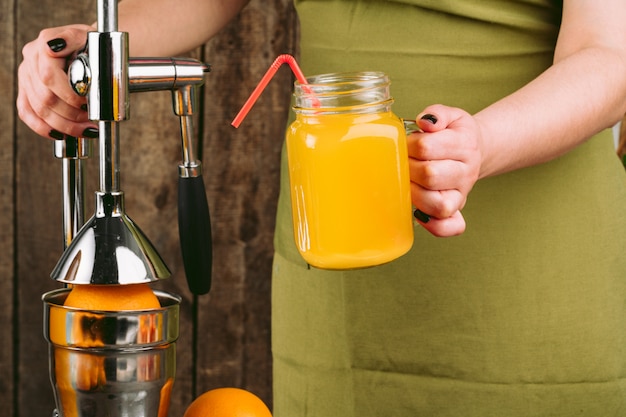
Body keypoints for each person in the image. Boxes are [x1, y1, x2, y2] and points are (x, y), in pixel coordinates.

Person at [17, 0, 626, 415]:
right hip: (333, 264)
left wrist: (481, 146)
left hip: (531, 264)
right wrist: (86, 50)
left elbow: (609, 53)